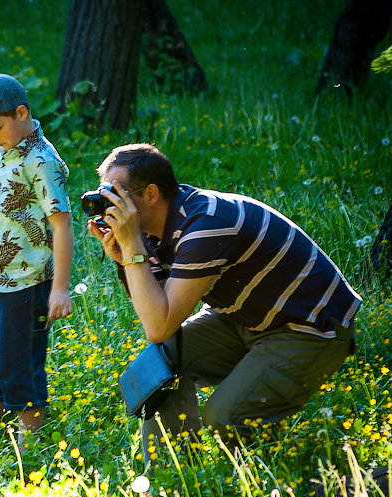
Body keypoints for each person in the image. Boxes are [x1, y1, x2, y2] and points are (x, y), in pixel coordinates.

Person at [87, 143, 360, 459]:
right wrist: (127, 256)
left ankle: (259, 485)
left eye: (118, 195)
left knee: (224, 418)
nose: (108, 206)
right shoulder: (151, 229)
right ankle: (170, 474)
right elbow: (159, 312)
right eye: (104, 195)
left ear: (150, 194)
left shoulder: (206, 224)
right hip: (244, 319)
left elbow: (158, 325)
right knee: (162, 362)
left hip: (309, 329)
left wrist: (134, 250)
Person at [0, 73, 74, 447]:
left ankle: (30, 446)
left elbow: (62, 227)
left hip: (28, 282)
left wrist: (59, 290)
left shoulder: (41, 161)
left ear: (21, 112)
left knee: (19, 363)